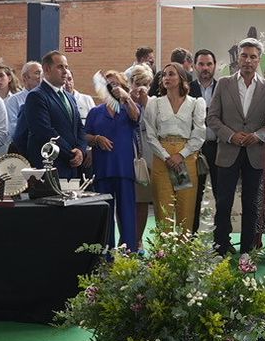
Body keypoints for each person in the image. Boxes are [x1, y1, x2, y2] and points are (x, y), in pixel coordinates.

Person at [206, 38, 265, 254]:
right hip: (228, 151)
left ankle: (247, 250)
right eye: (244, 56)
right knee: (223, 202)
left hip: (255, 154)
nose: (248, 60)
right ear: (238, 58)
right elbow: (212, 118)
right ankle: (220, 245)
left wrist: (257, 136)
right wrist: (231, 136)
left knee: (251, 205)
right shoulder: (224, 83)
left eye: (253, 57)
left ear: (259, 60)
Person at [143, 61, 206, 233]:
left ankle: (183, 255)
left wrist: (181, 154)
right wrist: (166, 156)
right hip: (162, 158)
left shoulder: (195, 103)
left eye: (171, 74)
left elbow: (199, 134)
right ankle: (164, 255)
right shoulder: (154, 103)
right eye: (164, 75)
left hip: (186, 158)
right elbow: (150, 135)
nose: (166, 78)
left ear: (181, 78)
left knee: (186, 208)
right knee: (163, 208)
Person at [85, 70, 143, 251]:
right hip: (102, 169)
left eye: (115, 83)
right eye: (108, 84)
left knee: (127, 214)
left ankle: (129, 253)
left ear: (123, 86)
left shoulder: (129, 108)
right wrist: (96, 139)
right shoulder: (95, 112)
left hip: (124, 168)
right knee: (105, 214)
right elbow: (84, 135)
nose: (112, 87)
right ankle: (106, 255)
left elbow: (137, 117)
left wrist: (127, 98)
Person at [18, 50, 90, 177]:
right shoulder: (36, 96)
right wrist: (72, 154)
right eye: (60, 67)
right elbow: (44, 132)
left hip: (72, 167)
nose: (65, 71)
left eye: (66, 67)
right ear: (47, 69)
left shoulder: (70, 97)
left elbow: (80, 128)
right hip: (50, 167)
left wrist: (80, 150)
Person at [191, 48, 221, 227]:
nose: (205, 68)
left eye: (209, 64)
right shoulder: (187, 88)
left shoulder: (223, 87)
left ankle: (222, 239)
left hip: (218, 147)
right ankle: (190, 237)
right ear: (195, 66)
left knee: (222, 195)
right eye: (201, 64)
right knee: (194, 195)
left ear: (215, 66)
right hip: (194, 149)